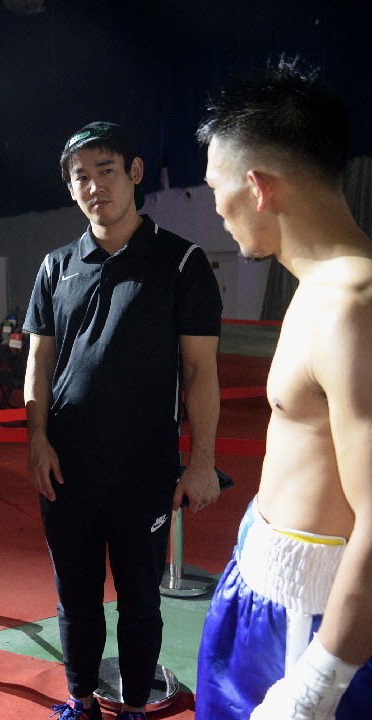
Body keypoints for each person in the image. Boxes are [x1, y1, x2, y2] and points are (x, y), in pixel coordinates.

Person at [23, 122, 222, 720]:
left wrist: (202, 460)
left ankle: (135, 706)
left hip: (144, 472)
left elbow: (200, 369)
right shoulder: (56, 267)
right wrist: (37, 440)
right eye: (80, 177)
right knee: (75, 598)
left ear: (135, 173)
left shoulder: (181, 262)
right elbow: (39, 361)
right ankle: (80, 700)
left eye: (105, 170)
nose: (94, 186)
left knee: (139, 602)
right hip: (66, 471)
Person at [195, 59, 372, 720]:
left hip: (312, 627)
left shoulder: (353, 304)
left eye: (215, 187)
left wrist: (317, 684)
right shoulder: (321, 287)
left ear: (257, 188)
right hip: (261, 588)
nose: (216, 208)